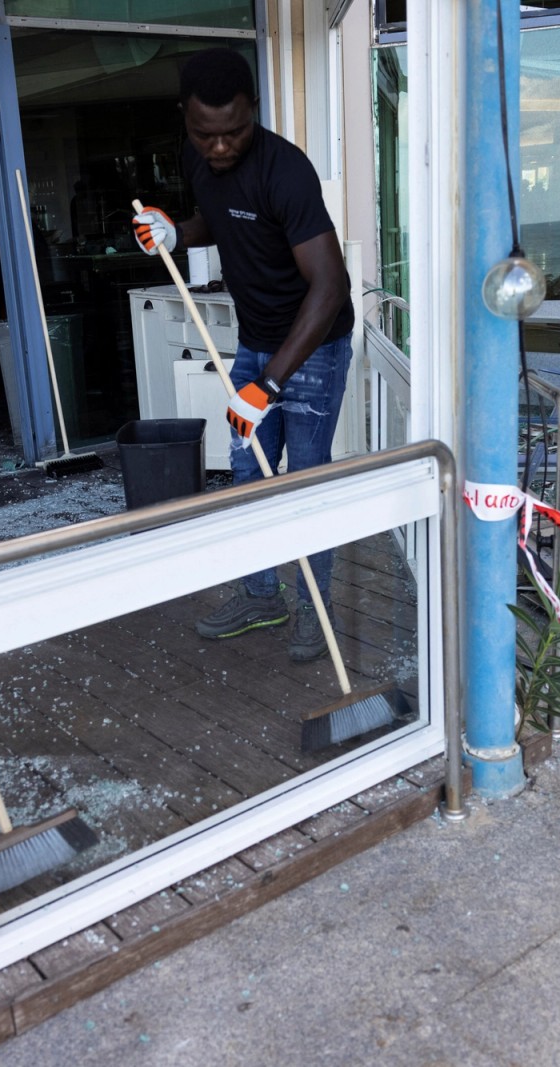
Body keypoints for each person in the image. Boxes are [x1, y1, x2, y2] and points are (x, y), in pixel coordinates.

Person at [131, 48, 354, 663]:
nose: (221, 146)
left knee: (306, 480)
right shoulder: (197, 156)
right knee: (248, 470)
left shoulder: (287, 171)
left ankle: (315, 610)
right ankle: (262, 596)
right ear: (186, 118)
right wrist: (177, 232)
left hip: (314, 346)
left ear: (253, 109)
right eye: (206, 134)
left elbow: (330, 285)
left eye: (234, 131)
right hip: (256, 341)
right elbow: (220, 216)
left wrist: (270, 384)